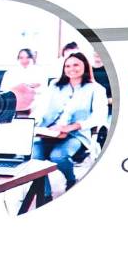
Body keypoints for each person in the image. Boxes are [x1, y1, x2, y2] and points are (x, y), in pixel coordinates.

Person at [29, 50, 108, 199]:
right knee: (35, 156)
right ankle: (45, 194)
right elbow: (41, 108)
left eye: (76, 65)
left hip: (76, 134)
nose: (71, 69)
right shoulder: (54, 86)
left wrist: (71, 127)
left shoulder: (96, 89)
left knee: (58, 156)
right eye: (68, 66)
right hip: (49, 131)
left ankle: (71, 180)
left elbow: (99, 117)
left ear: (85, 65)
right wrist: (37, 124)